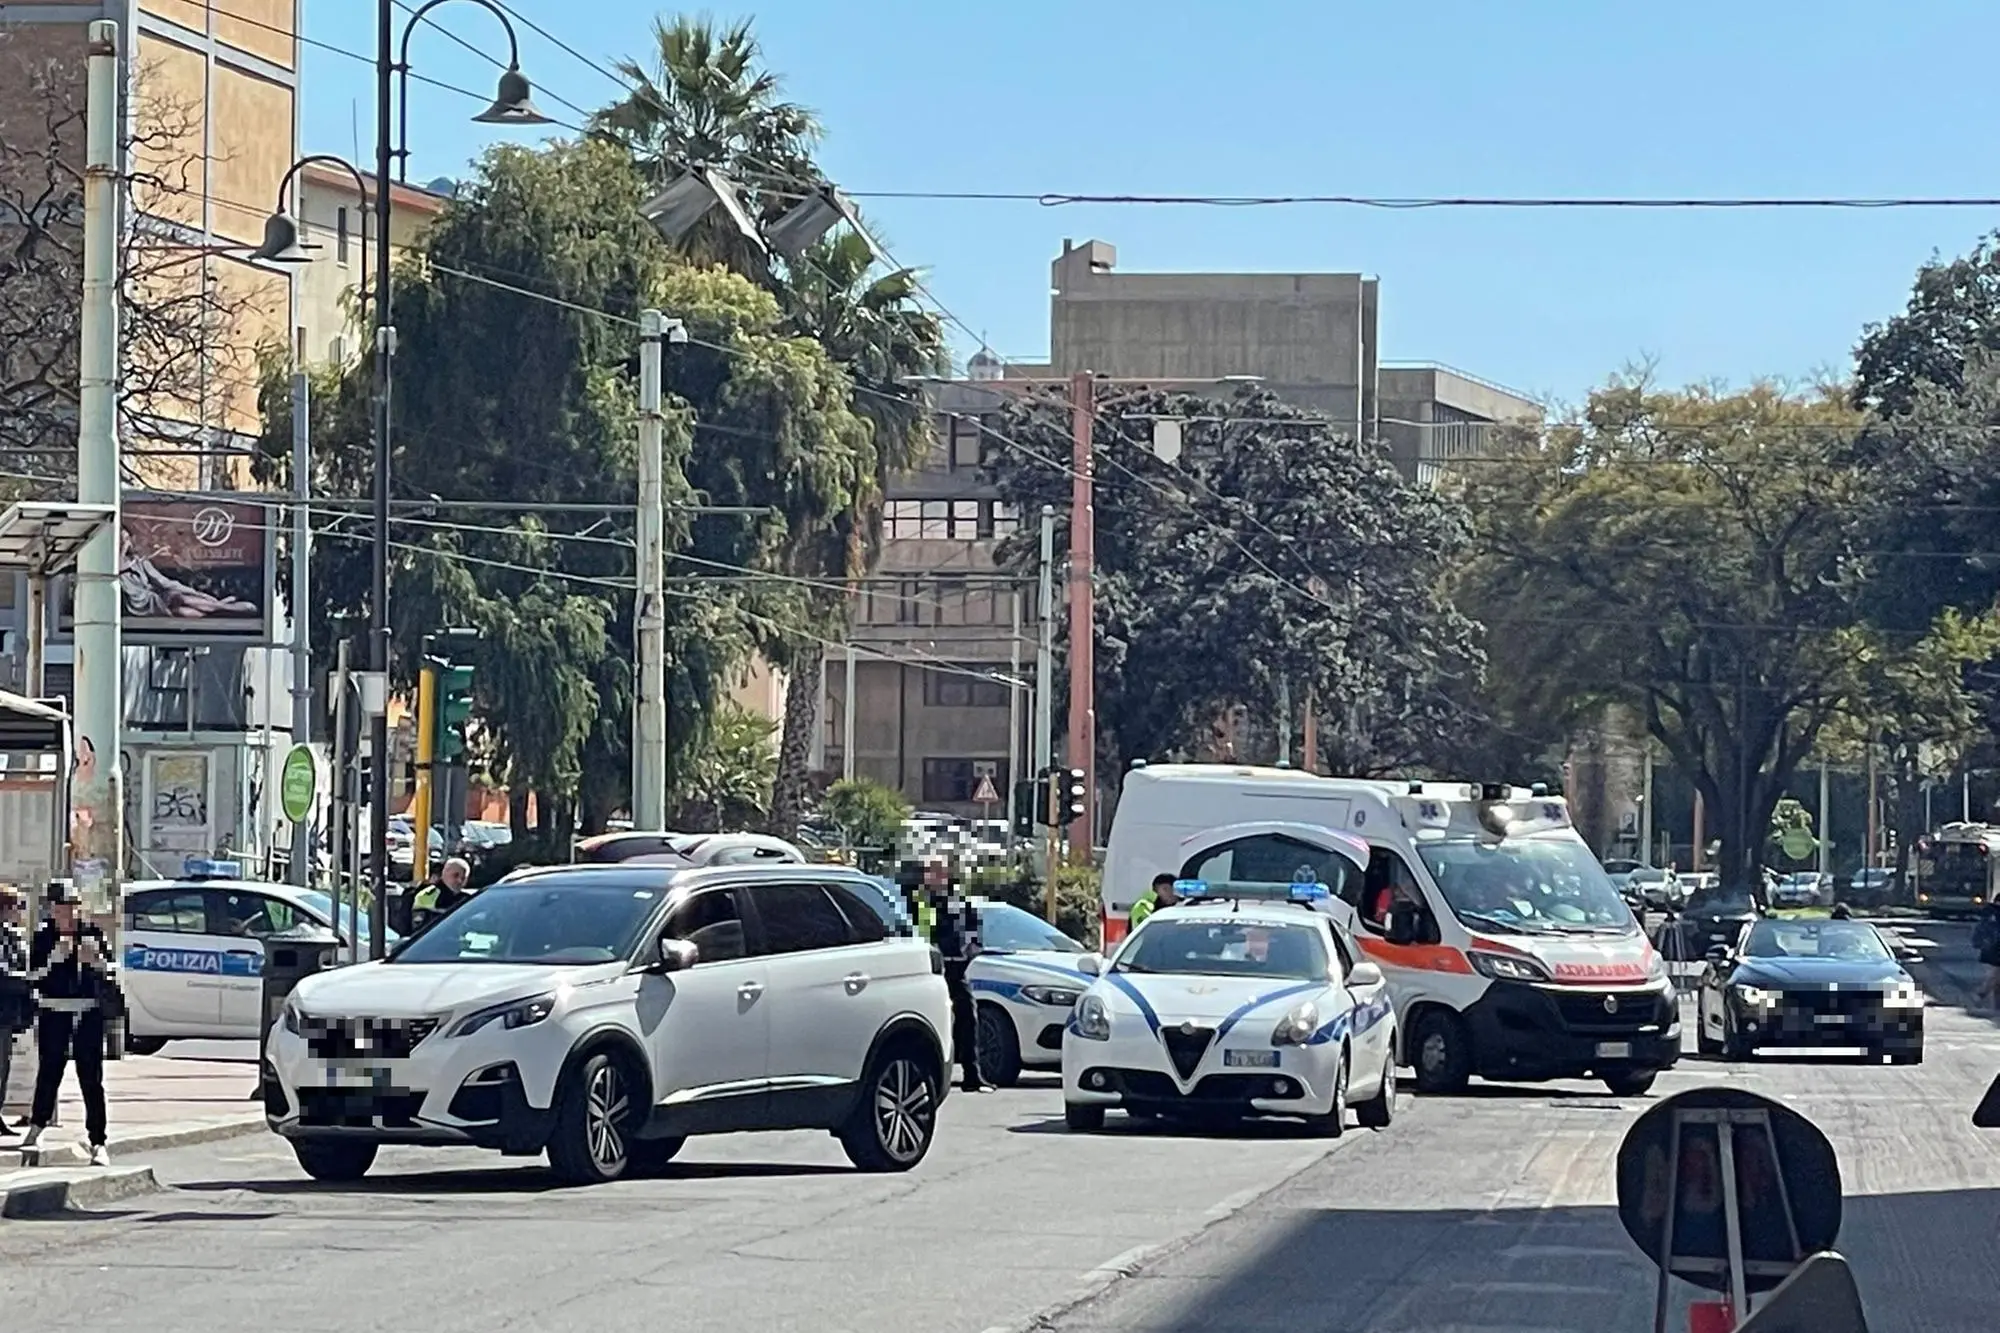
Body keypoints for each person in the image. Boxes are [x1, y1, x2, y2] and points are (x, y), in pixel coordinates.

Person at [23, 879, 112, 1164]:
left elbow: (111, 969)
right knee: (50, 1071)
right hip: (54, 1010)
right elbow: (32, 976)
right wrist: (53, 959)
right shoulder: (43, 936)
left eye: (71, 907)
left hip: (87, 1012)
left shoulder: (91, 931)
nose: (66, 913)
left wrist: (96, 961)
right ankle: (37, 1128)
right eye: (60, 907)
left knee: (91, 1078)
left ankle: (98, 1140)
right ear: (52, 909)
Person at [922, 858, 988, 1093]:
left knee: (968, 1017)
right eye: (931, 872)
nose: (935, 876)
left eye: (939, 871)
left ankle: (973, 1075)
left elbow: (975, 937)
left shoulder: (962, 902)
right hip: (926, 971)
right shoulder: (920, 902)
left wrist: (966, 955)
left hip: (956, 970)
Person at [0, 887, 30, 1136]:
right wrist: (31, 979)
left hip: (9, 1012)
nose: (21, 912)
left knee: (4, 1066)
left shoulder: (13, 936)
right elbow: (3, 974)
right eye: (17, 907)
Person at [413, 857, 473, 930]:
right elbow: (420, 928)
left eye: (463, 877)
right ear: (445, 873)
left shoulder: (469, 898)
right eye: (455, 875)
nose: (460, 880)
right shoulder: (428, 894)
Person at [1972, 899, 2000, 1012]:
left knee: (1996, 978)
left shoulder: (1989, 912)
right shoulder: (1993, 913)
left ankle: (1995, 1007)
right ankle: (1981, 994)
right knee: (1995, 976)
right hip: (1994, 948)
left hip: (1991, 948)